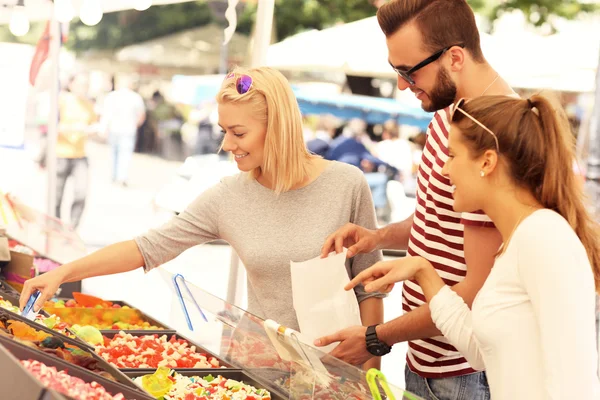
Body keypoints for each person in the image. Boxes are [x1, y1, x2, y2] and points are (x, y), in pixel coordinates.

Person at [21, 67, 385, 370]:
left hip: (338, 374)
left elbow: (371, 285)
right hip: (263, 373)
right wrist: (63, 273)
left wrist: (371, 373)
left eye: (238, 132)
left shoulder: (346, 184)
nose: (226, 145)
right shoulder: (228, 196)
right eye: (224, 130)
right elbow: (147, 247)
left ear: (278, 127)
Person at [316, 1, 516, 398]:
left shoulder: (495, 134)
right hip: (423, 357)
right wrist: (378, 237)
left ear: (455, 57)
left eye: (408, 71)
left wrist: (376, 337)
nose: (403, 85)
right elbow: (437, 219)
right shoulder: (449, 109)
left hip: (463, 372)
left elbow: (475, 294)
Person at [345, 94, 600, 399]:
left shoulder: (544, 237)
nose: (443, 170)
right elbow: (481, 352)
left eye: (452, 156)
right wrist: (423, 272)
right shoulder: (516, 240)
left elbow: (576, 384)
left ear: (487, 161)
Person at [56, 73, 96, 229]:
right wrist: (73, 128)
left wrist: (92, 130)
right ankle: (56, 229)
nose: (83, 88)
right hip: (60, 154)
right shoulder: (62, 100)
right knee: (56, 198)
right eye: (80, 84)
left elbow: (94, 126)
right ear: (71, 84)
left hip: (80, 155)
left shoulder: (88, 105)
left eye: (86, 85)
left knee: (81, 193)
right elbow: (50, 125)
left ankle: (72, 228)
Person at [101, 75, 146, 186]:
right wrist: (135, 125)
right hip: (128, 130)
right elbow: (141, 115)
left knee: (114, 153)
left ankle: (115, 176)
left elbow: (105, 115)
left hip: (115, 129)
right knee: (124, 154)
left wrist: (104, 128)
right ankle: (121, 177)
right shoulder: (135, 97)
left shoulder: (111, 96)